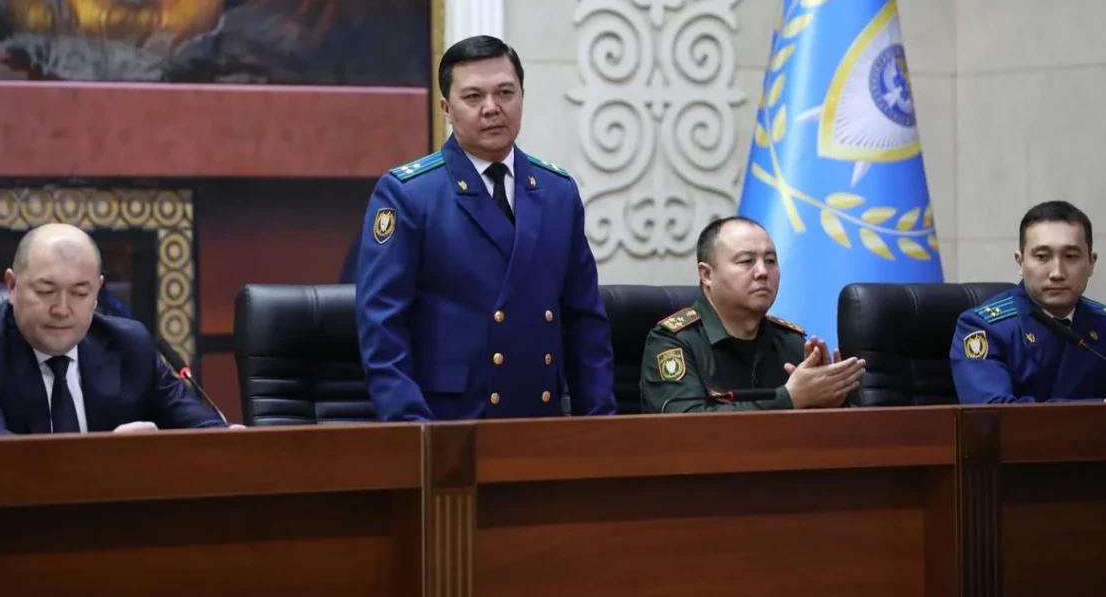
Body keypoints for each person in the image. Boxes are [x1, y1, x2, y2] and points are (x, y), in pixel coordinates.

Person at [356, 34, 616, 421]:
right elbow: (383, 329)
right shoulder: (409, 194)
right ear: (446, 108)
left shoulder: (557, 192)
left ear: (522, 97)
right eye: (473, 97)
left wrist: (599, 426)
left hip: (541, 421)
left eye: (505, 93)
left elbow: (585, 323)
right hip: (449, 424)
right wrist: (414, 430)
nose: (492, 108)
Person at [0, 223, 233, 435]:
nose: (62, 309)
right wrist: (107, 459)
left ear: (97, 293)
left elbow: (201, 429)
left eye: (80, 293)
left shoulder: (129, 344)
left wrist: (227, 438)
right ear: (12, 286)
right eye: (46, 291)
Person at [640, 216, 866, 412]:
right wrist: (790, 398)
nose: (762, 272)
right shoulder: (673, 342)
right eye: (747, 261)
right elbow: (686, 428)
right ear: (707, 275)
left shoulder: (790, 342)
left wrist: (830, 405)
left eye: (770, 261)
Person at [951, 200, 1106, 403]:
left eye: (1070, 257)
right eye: (1042, 257)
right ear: (1020, 262)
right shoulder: (983, 328)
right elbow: (995, 413)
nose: (1057, 273)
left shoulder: (1102, 323)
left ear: (1091, 263)